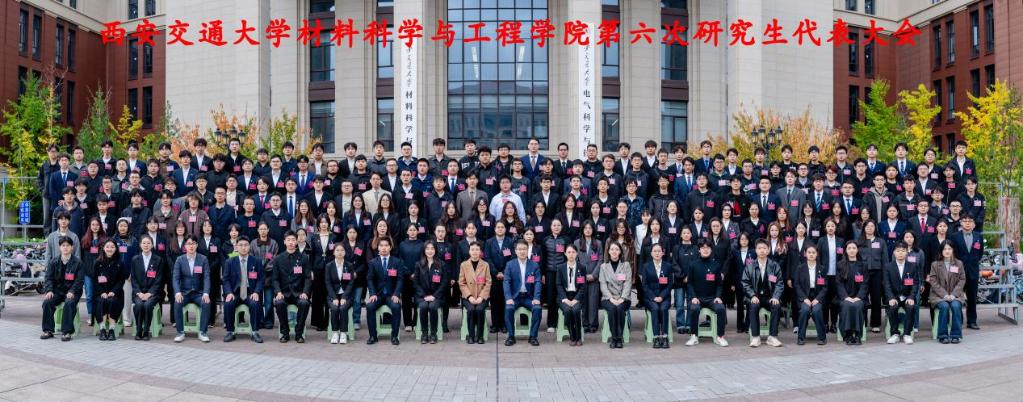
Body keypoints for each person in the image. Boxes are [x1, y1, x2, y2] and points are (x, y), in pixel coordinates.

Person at [741, 239, 784, 348]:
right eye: (759, 248)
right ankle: (756, 337)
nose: (762, 251)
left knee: (776, 305)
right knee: (753, 306)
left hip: (770, 297)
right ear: (755, 250)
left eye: (764, 248)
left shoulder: (774, 266)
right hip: (755, 297)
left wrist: (776, 296)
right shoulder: (750, 266)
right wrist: (752, 295)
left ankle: (772, 337)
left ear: (768, 250)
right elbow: (745, 283)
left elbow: (779, 283)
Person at [41, 237, 85, 341]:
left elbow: (79, 280)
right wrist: (49, 290)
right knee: (47, 302)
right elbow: (48, 278)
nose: (65, 248)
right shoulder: (54, 261)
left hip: (73, 292)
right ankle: (48, 330)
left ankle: (67, 332)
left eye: (68, 245)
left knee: (69, 303)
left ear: (72, 247)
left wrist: (72, 291)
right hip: (57, 291)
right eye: (63, 245)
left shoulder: (78, 262)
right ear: (59, 247)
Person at [271, 231, 312, 343]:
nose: (291, 242)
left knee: (304, 303)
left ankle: (299, 333)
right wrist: (278, 292)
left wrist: (305, 292)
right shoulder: (278, 259)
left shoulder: (304, 258)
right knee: (279, 303)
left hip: (299, 292)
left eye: (293, 240)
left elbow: (308, 278)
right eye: (288, 240)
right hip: (284, 292)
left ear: (297, 241)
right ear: (284, 242)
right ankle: (285, 333)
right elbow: (275, 279)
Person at [685, 240, 728, 347]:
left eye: (708, 248)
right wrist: (693, 297)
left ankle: (720, 336)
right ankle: (694, 336)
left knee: (721, 308)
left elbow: (719, 284)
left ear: (711, 250)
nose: (705, 250)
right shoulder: (693, 265)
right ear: (699, 250)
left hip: (712, 298)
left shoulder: (716, 265)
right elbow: (689, 283)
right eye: (703, 248)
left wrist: (718, 297)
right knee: (694, 309)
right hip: (697, 298)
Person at [222, 237, 265, 343]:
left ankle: (255, 332)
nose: (243, 247)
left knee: (255, 303)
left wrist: (256, 292)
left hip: (250, 292)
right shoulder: (230, 262)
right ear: (236, 247)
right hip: (235, 293)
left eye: (246, 245)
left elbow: (261, 279)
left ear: (249, 247)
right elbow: (225, 279)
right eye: (241, 245)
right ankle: (230, 331)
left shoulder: (256, 261)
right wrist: (229, 293)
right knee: (228, 304)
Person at [171, 235, 212, 343]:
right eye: (189, 244)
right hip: (184, 293)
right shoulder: (180, 260)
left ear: (197, 245)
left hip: (198, 293)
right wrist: (178, 292)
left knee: (206, 303)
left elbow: (207, 277)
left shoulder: (203, 259)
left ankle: (202, 332)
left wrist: (206, 293)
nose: (191, 246)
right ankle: (180, 332)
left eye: (193, 243)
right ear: (185, 246)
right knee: (177, 303)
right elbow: (175, 278)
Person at [503, 240, 543, 347]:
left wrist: (536, 298)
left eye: (524, 249)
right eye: (519, 249)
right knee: (508, 309)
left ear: (527, 250)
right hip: (515, 297)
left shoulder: (534, 265)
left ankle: (533, 336)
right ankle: (511, 336)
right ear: (516, 251)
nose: (522, 251)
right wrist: (508, 297)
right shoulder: (510, 265)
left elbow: (538, 282)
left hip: (529, 297)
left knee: (537, 309)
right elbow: (506, 282)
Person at [366, 237, 404, 345]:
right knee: (369, 307)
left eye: (386, 245)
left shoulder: (397, 262)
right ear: (378, 248)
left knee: (396, 307)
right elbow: (370, 279)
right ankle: (373, 336)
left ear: (390, 247)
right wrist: (372, 294)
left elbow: (400, 279)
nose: (384, 248)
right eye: (381, 245)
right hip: (377, 295)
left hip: (391, 295)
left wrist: (396, 294)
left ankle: (394, 336)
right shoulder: (373, 262)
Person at [928, 242, 966, 344]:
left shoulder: (959, 263)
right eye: (945, 249)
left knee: (955, 306)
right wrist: (944, 295)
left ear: (953, 250)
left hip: (956, 295)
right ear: (941, 251)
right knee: (944, 306)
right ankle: (943, 335)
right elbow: (933, 281)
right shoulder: (935, 265)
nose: (947, 251)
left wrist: (953, 294)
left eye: (949, 249)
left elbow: (962, 280)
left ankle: (955, 335)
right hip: (938, 296)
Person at [950, 214, 983, 330]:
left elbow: (980, 254)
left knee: (972, 297)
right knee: (958, 296)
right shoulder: (954, 236)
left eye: (970, 221)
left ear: (973, 224)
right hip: (958, 271)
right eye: (965, 221)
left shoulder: (978, 236)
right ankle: (958, 320)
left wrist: (972, 263)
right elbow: (952, 254)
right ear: (961, 223)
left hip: (973, 271)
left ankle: (972, 321)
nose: (967, 223)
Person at [883, 241, 919, 344]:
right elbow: (886, 284)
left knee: (911, 307)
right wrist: (891, 297)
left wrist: (911, 297)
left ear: (907, 252)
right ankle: (895, 334)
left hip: (907, 296)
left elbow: (915, 284)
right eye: (898, 251)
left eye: (903, 251)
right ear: (894, 252)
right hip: (894, 296)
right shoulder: (888, 267)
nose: (900, 253)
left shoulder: (912, 266)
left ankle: (907, 334)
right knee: (892, 307)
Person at [413, 241, 448, 344]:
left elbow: (444, 283)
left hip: (437, 296)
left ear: (435, 250)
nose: (430, 251)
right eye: (427, 248)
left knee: (433, 307)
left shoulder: (442, 264)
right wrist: (424, 296)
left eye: (432, 248)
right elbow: (416, 283)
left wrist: (434, 296)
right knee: (423, 306)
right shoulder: (418, 264)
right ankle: (424, 333)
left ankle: (433, 333)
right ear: (424, 250)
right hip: (422, 296)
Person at [640, 243, 674, 348]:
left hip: (665, 297)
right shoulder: (646, 266)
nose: (657, 253)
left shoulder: (668, 266)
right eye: (655, 251)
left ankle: (664, 337)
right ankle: (655, 337)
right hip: (650, 298)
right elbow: (644, 285)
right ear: (651, 253)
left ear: (663, 253)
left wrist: (662, 296)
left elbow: (670, 284)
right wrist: (654, 297)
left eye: (659, 251)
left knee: (663, 308)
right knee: (655, 308)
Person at [599, 242, 632, 349]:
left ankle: (619, 337)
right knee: (613, 309)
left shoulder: (626, 265)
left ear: (620, 252)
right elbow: (603, 285)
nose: (614, 251)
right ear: (608, 251)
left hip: (623, 297)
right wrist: (611, 298)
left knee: (620, 309)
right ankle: (614, 338)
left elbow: (628, 283)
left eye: (617, 249)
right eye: (612, 249)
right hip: (608, 298)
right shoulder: (603, 267)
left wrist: (622, 298)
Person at [130, 236, 163, 341]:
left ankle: (146, 331)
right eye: (144, 243)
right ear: (140, 245)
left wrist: (150, 293)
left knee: (148, 305)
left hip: (153, 293)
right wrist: (139, 293)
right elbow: (133, 279)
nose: (146, 245)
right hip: (138, 293)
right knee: (139, 305)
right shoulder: (135, 259)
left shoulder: (158, 260)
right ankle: (138, 330)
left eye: (148, 243)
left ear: (152, 245)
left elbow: (158, 280)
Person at [458, 241, 491, 344]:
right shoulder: (464, 265)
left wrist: (481, 297)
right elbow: (461, 283)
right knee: (471, 310)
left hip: (482, 296)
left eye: (477, 249)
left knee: (480, 310)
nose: (475, 252)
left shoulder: (485, 265)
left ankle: (480, 336)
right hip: (468, 297)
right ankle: (471, 335)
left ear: (480, 252)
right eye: (472, 249)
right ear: (469, 251)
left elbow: (488, 283)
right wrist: (469, 296)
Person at [92, 240, 125, 341]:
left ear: (116, 249)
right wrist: (102, 292)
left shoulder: (120, 263)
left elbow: (121, 280)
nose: (109, 249)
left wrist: (113, 291)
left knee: (112, 302)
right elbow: (95, 280)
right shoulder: (98, 263)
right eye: (107, 247)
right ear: (103, 248)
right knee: (101, 302)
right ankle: (102, 330)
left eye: (112, 247)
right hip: (100, 293)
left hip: (116, 293)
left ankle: (111, 330)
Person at [794, 245, 828, 345]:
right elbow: (796, 285)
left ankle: (822, 337)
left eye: (813, 252)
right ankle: (801, 337)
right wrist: (804, 298)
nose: (811, 254)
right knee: (804, 310)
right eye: (809, 252)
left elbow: (825, 287)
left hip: (817, 296)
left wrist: (818, 299)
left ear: (817, 254)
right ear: (805, 254)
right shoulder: (800, 268)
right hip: (805, 296)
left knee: (817, 310)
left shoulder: (822, 268)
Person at [836, 241, 868, 345]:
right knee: (847, 305)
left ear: (857, 250)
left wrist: (859, 297)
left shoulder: (863, 265)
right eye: (849, 248)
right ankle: (848, 335)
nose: (852, 250)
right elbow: (839, 283)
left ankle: (858, 335)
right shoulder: (840, 265)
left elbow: (865, 283)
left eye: (854, 248)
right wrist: (846, 297)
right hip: (845, 297)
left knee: (858, 305)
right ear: (846, 250)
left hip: (859, 297)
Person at [556, 244, 588, 346]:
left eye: (573, 252)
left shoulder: (582, 267)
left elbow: (583, 286)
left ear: (577, 254)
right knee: (567, 310)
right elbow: (558, 285)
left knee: (575, 310)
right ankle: (572, 336)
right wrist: (565, 299)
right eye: (569, 252)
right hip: (564, 296)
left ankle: (578, 336)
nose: (571, 254)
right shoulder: (560, 267)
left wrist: (576, 299)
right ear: (565, 253)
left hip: (577, 296)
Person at [325, 242, 356, 344]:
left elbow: (351, 283)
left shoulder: (349, 265)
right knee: (334, 308)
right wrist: (334, 298)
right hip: (333, 295)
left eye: (342, 250)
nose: (339, 252)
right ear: (333, 252)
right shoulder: (329, 266)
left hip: (346, 295)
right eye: (337, 250)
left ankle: (343, 333)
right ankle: (335, 332)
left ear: (345, 252)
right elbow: (328, 283)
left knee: (343, 308)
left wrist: (344, 297)